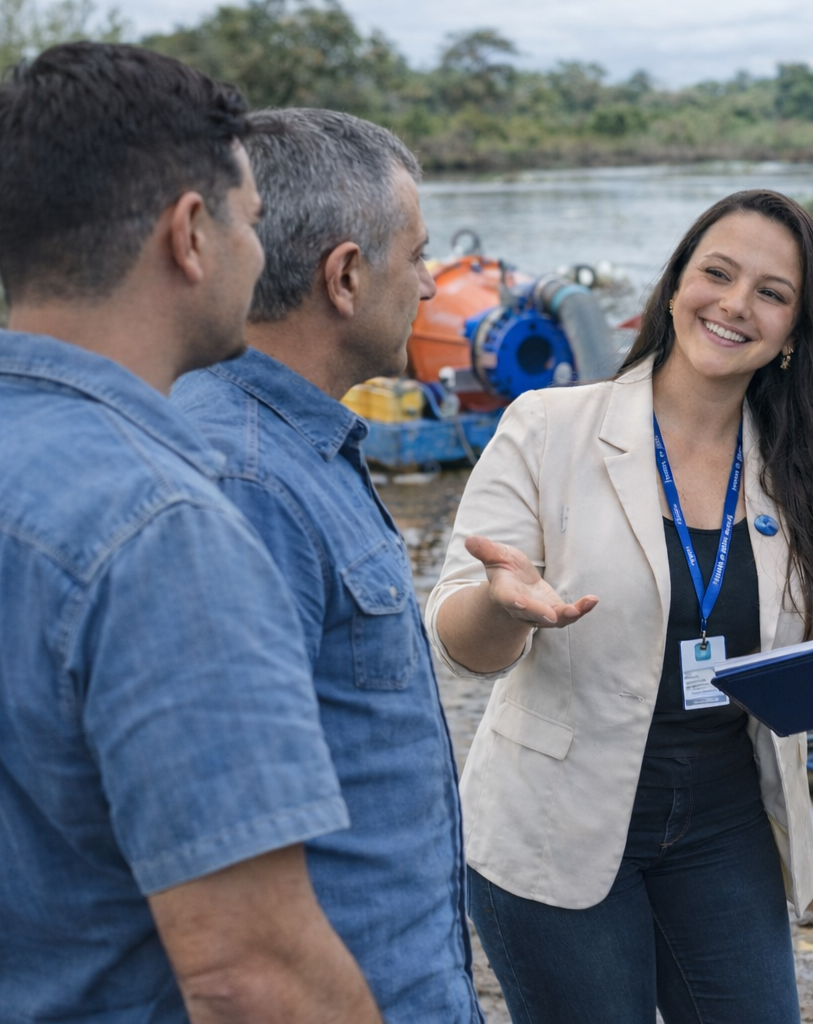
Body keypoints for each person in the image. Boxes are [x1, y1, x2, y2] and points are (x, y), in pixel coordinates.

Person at [426, 189, 813, 1023]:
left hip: (725, 817)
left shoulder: (808, 470)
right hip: (559, 818)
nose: (735, 305)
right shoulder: (549, 427)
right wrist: (501, 603)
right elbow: (458, 645)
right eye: (718, 274)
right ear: (673, 287)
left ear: (793, 334)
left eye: (771, 293)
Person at [0, 44, 382, 1023]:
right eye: (250, 224)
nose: (260, 256)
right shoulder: (162, 530)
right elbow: (253, 977)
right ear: (190, 236)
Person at [171, 109, 482, 1023]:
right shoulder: (247, 484)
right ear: (345, 276)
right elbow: (225, 888)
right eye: (418, 255)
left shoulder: (297, 446)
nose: (430, 285)